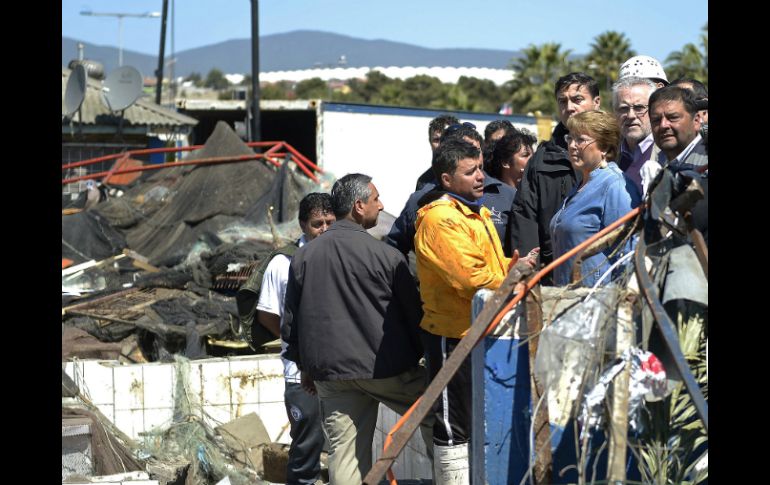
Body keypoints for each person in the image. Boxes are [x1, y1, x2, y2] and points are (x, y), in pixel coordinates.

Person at [282, 173, 432, 485]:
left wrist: (305, 368)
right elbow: (414, 316)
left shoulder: (304, 256)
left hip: (330, 376)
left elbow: (292, 322)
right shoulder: (387, 256)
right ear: (359, 206)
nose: (382, 205)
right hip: (384, 370)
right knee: (438, 412)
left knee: (344, 454)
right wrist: (421, 356)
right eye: (376, 199)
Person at [414, 139, 536, 484]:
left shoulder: (472, 211)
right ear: (447, 179)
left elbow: (486, 270)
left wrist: (512, 267)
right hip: (451, 335)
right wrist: (512, 276)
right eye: (470, 172)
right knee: (453, 424)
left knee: (472, 419)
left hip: (477, 329)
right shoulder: (440, 219)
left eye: (480, 168)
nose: (481, 176)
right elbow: (470, 279)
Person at [252, 193, 334, 485]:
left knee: (341, 443)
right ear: (302, 225)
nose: (324, 229)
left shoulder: (339, 255)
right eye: (317, 224)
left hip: (339, 369)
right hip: (300, 374)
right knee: (307, 443)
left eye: (329, 222)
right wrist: (298, 343)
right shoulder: (283, 263)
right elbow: (267, 315)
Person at [509, 72, 601, 284]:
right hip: (552, 277)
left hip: (600, 274)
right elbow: (524, 217)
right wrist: (529, 276)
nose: (570, 107)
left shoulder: (619, 150)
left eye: (577, 99)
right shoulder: (542, 159)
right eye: (563, 101)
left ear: (596, 102)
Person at [387, 122, 516, 257]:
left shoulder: (508, 195)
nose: (472, 157)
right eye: (464, 152)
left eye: (476, 151)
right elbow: (395, 248)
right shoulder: (423, 200)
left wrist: (512, 268)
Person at [550, 110, 640, 287]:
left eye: (581, 140)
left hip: (596, 296)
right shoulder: (581, 184)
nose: (572, 146)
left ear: (604, 148)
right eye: (570, 138)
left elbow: (627, 252)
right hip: (567, 295)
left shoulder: (615, 185)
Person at [612, 76, 659, 196]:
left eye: (639, 108)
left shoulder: (667, 153)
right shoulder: (608, 154)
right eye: (624, 108)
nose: (631, 115)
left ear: (654, 110)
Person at [416, 114, 461, 190]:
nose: (441, 144)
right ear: (430, 142)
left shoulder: (475, 176)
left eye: (447, 138)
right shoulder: (423, 181)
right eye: (436, 140)